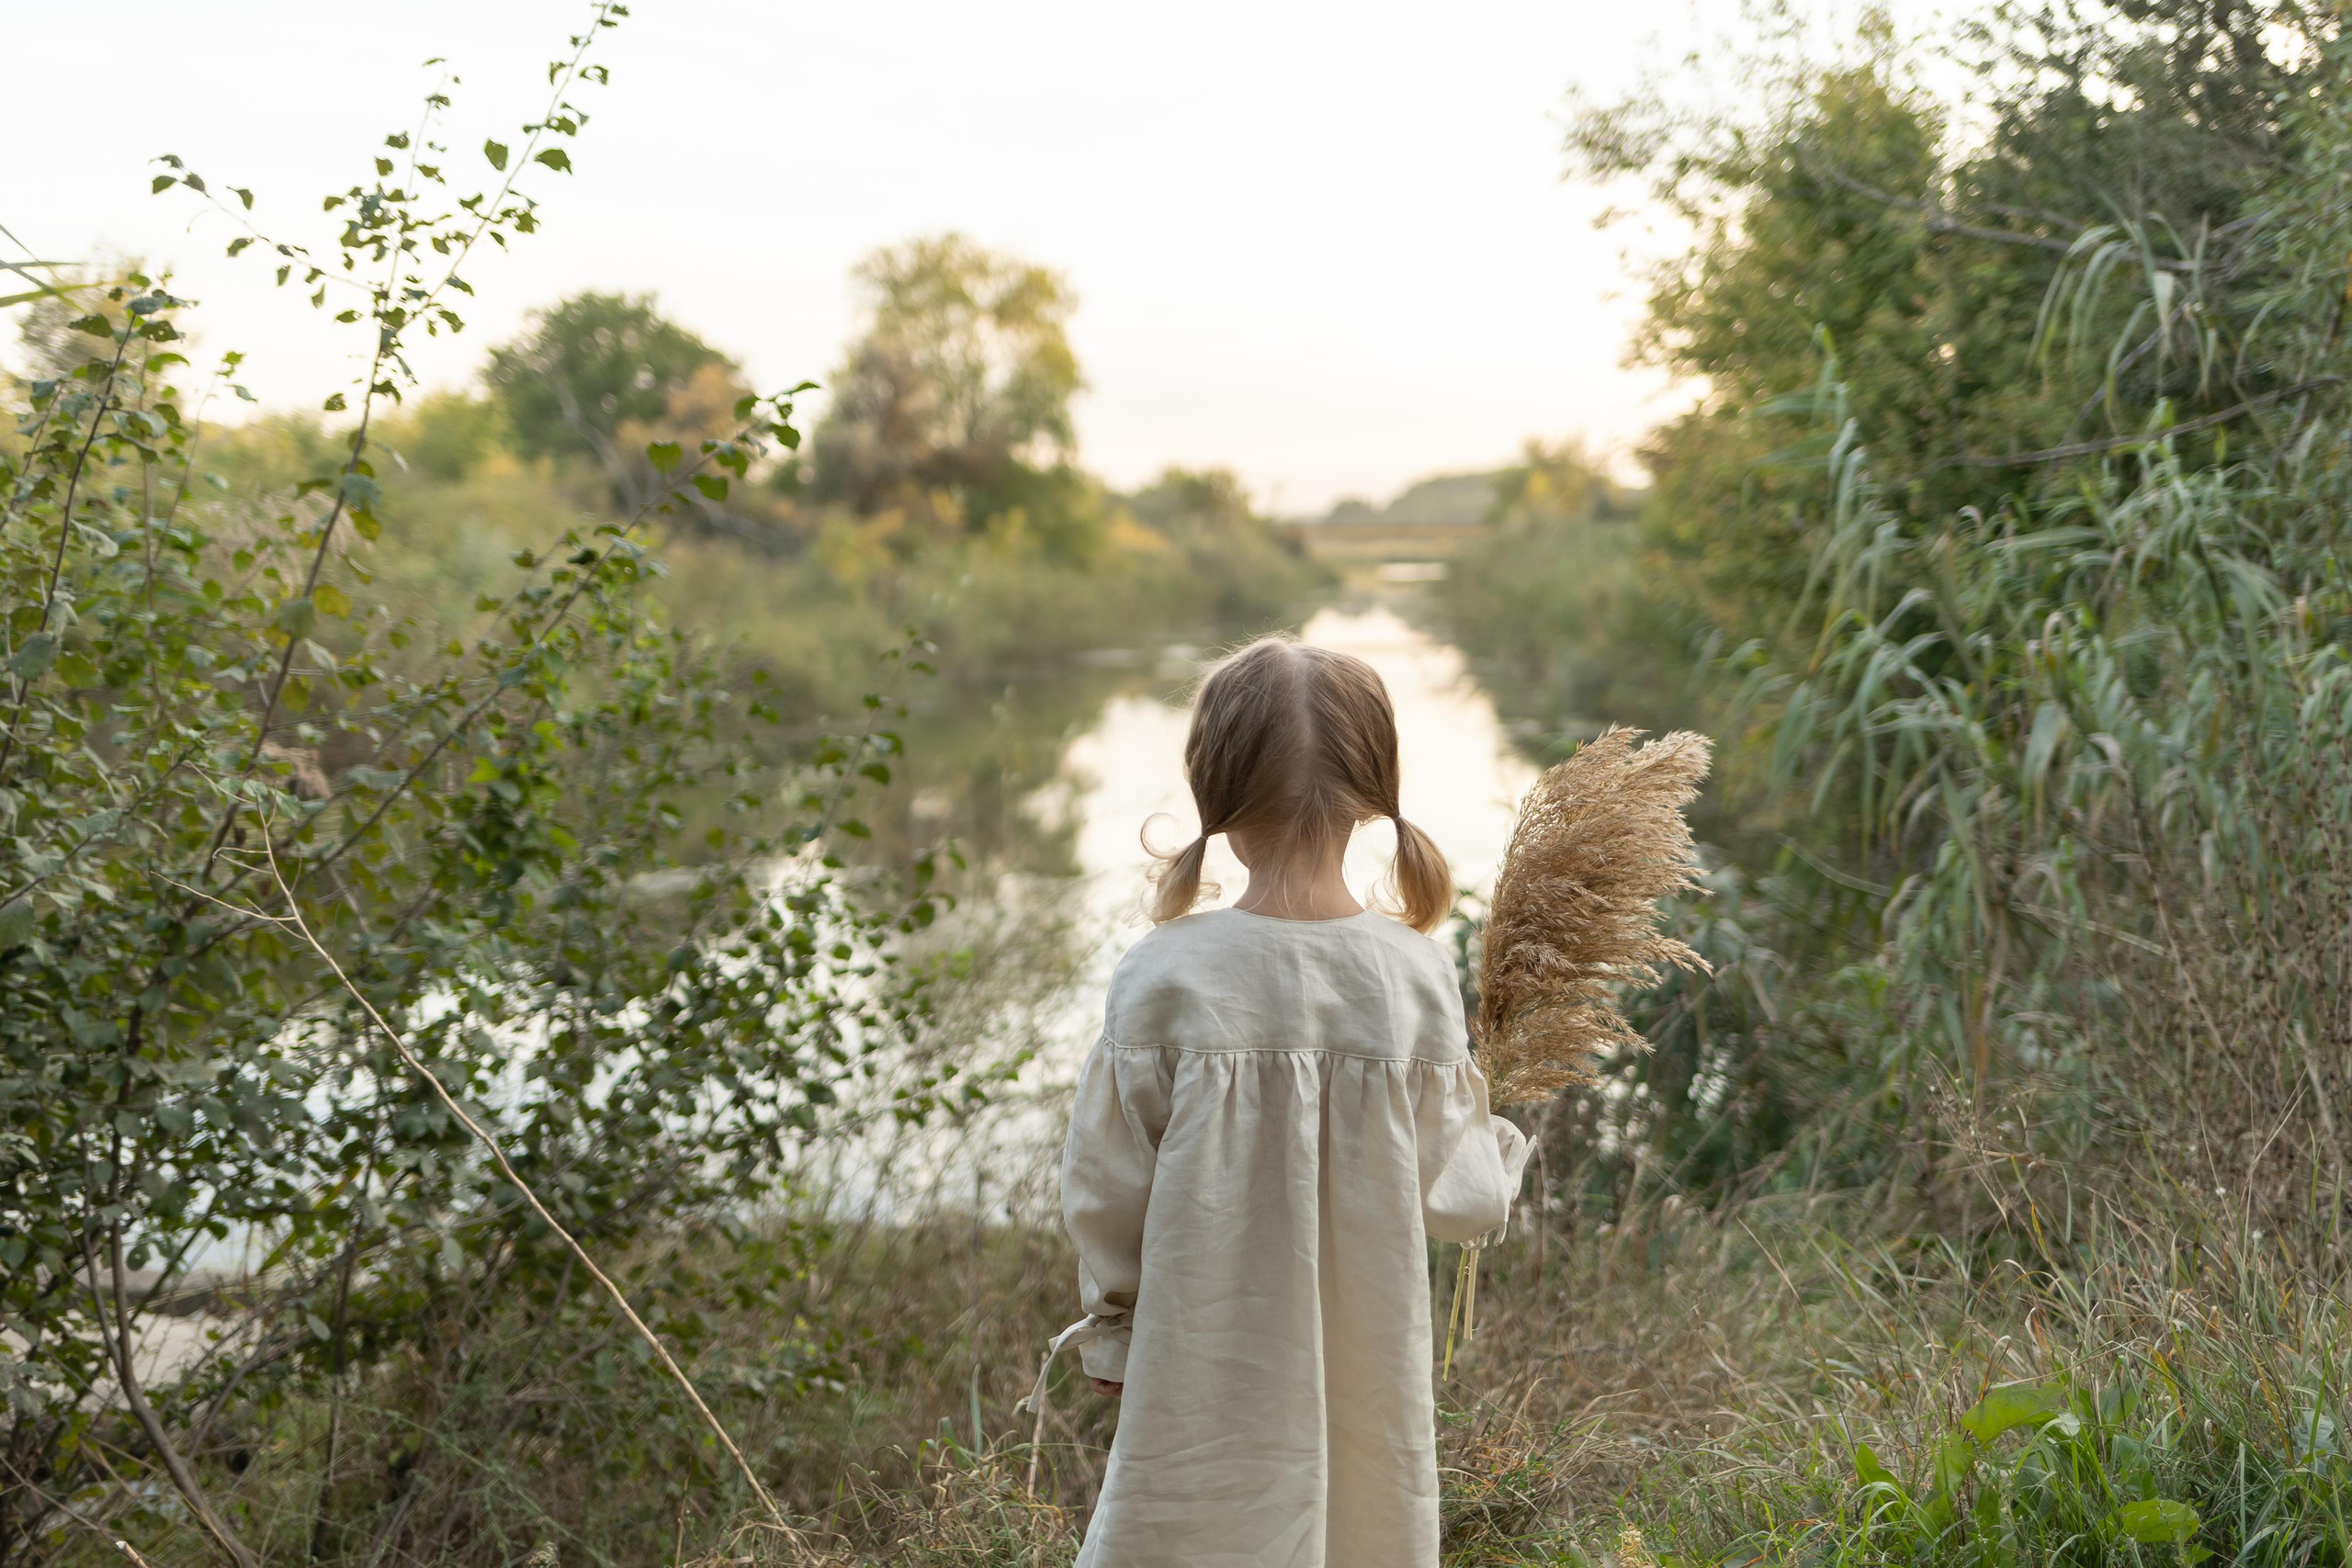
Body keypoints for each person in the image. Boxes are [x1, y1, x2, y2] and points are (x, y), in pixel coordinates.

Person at [1049, 636, 1531, 1568]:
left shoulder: (1162, 975)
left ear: (1215, 797)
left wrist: (1113, 1336)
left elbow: (1106, 1190)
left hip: (1197, 1364)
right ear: (1370, 799)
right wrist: (1497, 1140)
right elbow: (1461, 1199)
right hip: (1364, 1374)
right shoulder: (1411, 975)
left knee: (1183, 1523)